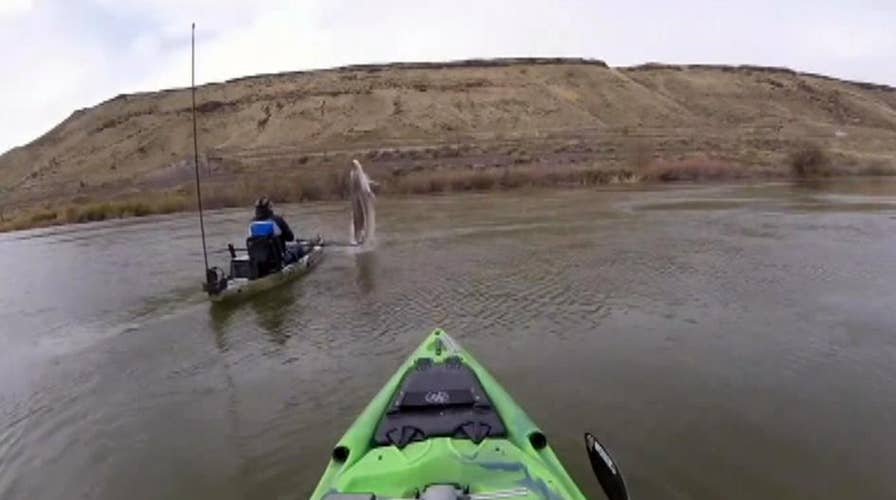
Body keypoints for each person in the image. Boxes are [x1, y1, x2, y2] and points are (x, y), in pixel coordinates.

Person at [249, 197, 302, 264]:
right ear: (268, 207)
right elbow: (290, 238)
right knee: (299, 248)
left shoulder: (252, 223)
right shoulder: (277, 220)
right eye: (271, 206)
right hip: (278, 259)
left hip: (259, 259)